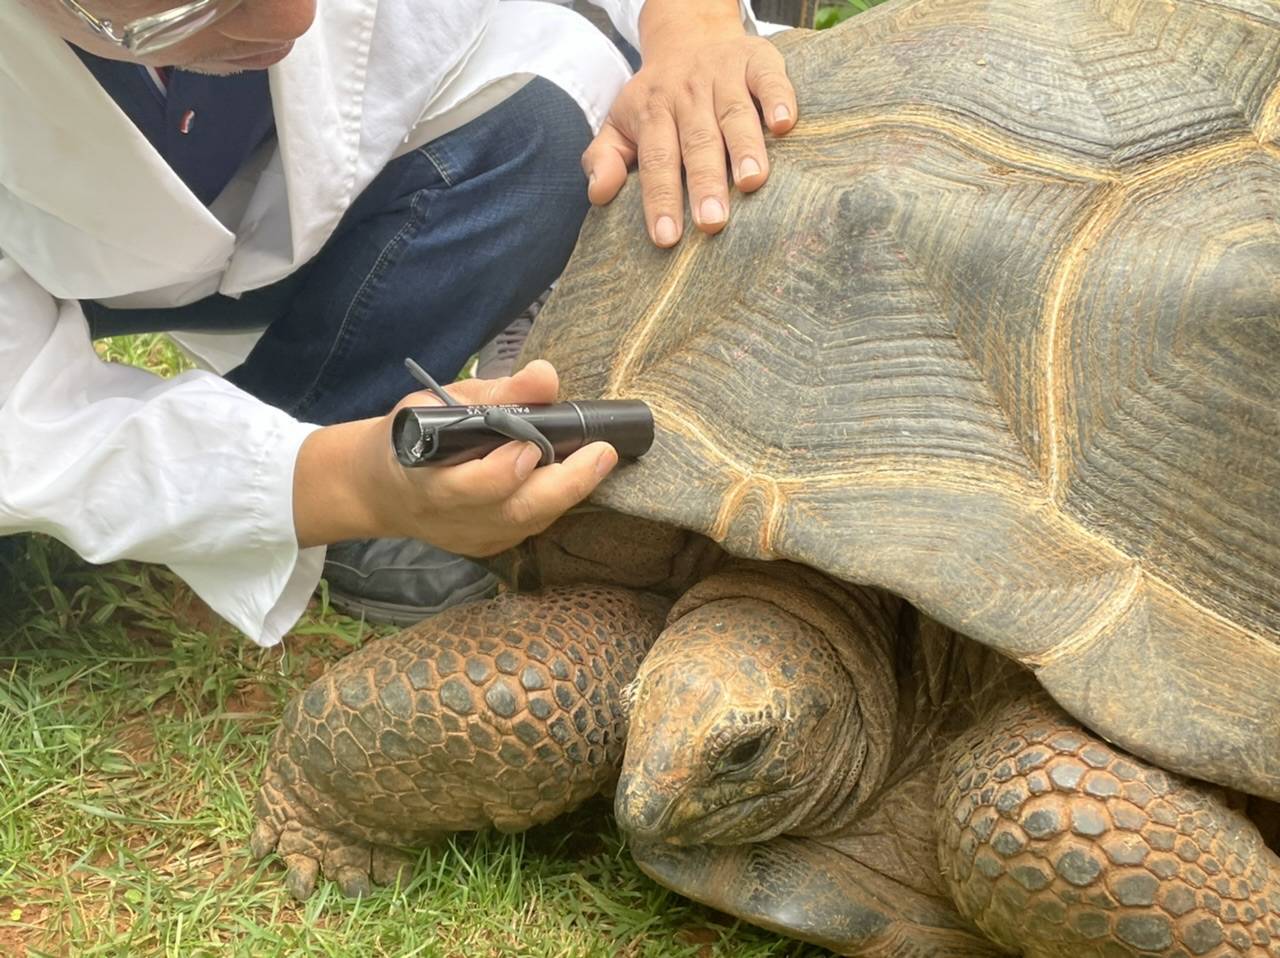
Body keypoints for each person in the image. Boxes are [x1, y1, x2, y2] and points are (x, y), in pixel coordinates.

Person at [0, 0, 797, 645]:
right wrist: (348, 484)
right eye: (190, 10)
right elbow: (24, 430)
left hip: (360, 171)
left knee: (554, 120)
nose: (293, 21)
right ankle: (345, 484)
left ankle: (336, 429)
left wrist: (691, 25)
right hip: (61, 255)